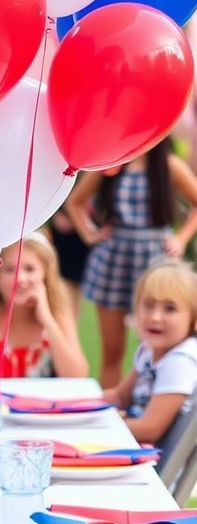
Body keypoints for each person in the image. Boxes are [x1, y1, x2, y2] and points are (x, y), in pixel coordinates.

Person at [66, 138, 197, 388]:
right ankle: (111, 410)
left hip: (154, 260)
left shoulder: (169, 165)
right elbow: (76, 201)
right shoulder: (110, 164)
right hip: (114, 259)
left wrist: (181, 239)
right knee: (113, 351)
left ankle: (155, 408)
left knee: (159, 349)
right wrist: (89, 233)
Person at [0, 232, 89, 379]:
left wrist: (47, 319)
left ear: (46, 274)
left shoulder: (59, 315)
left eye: (29, 269)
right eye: (9, 270)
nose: (20, 279)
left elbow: (78, 376)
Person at [103, 260, 197, 444]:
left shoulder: (180, 362)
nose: (155, 317)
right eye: (148, 305)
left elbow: (150, 428)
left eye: (170, 308)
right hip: (132, 442)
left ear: (193, 318)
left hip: (155, 463)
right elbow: (120, 397)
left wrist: (103, 425)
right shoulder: (148, 350)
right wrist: (78, 405)